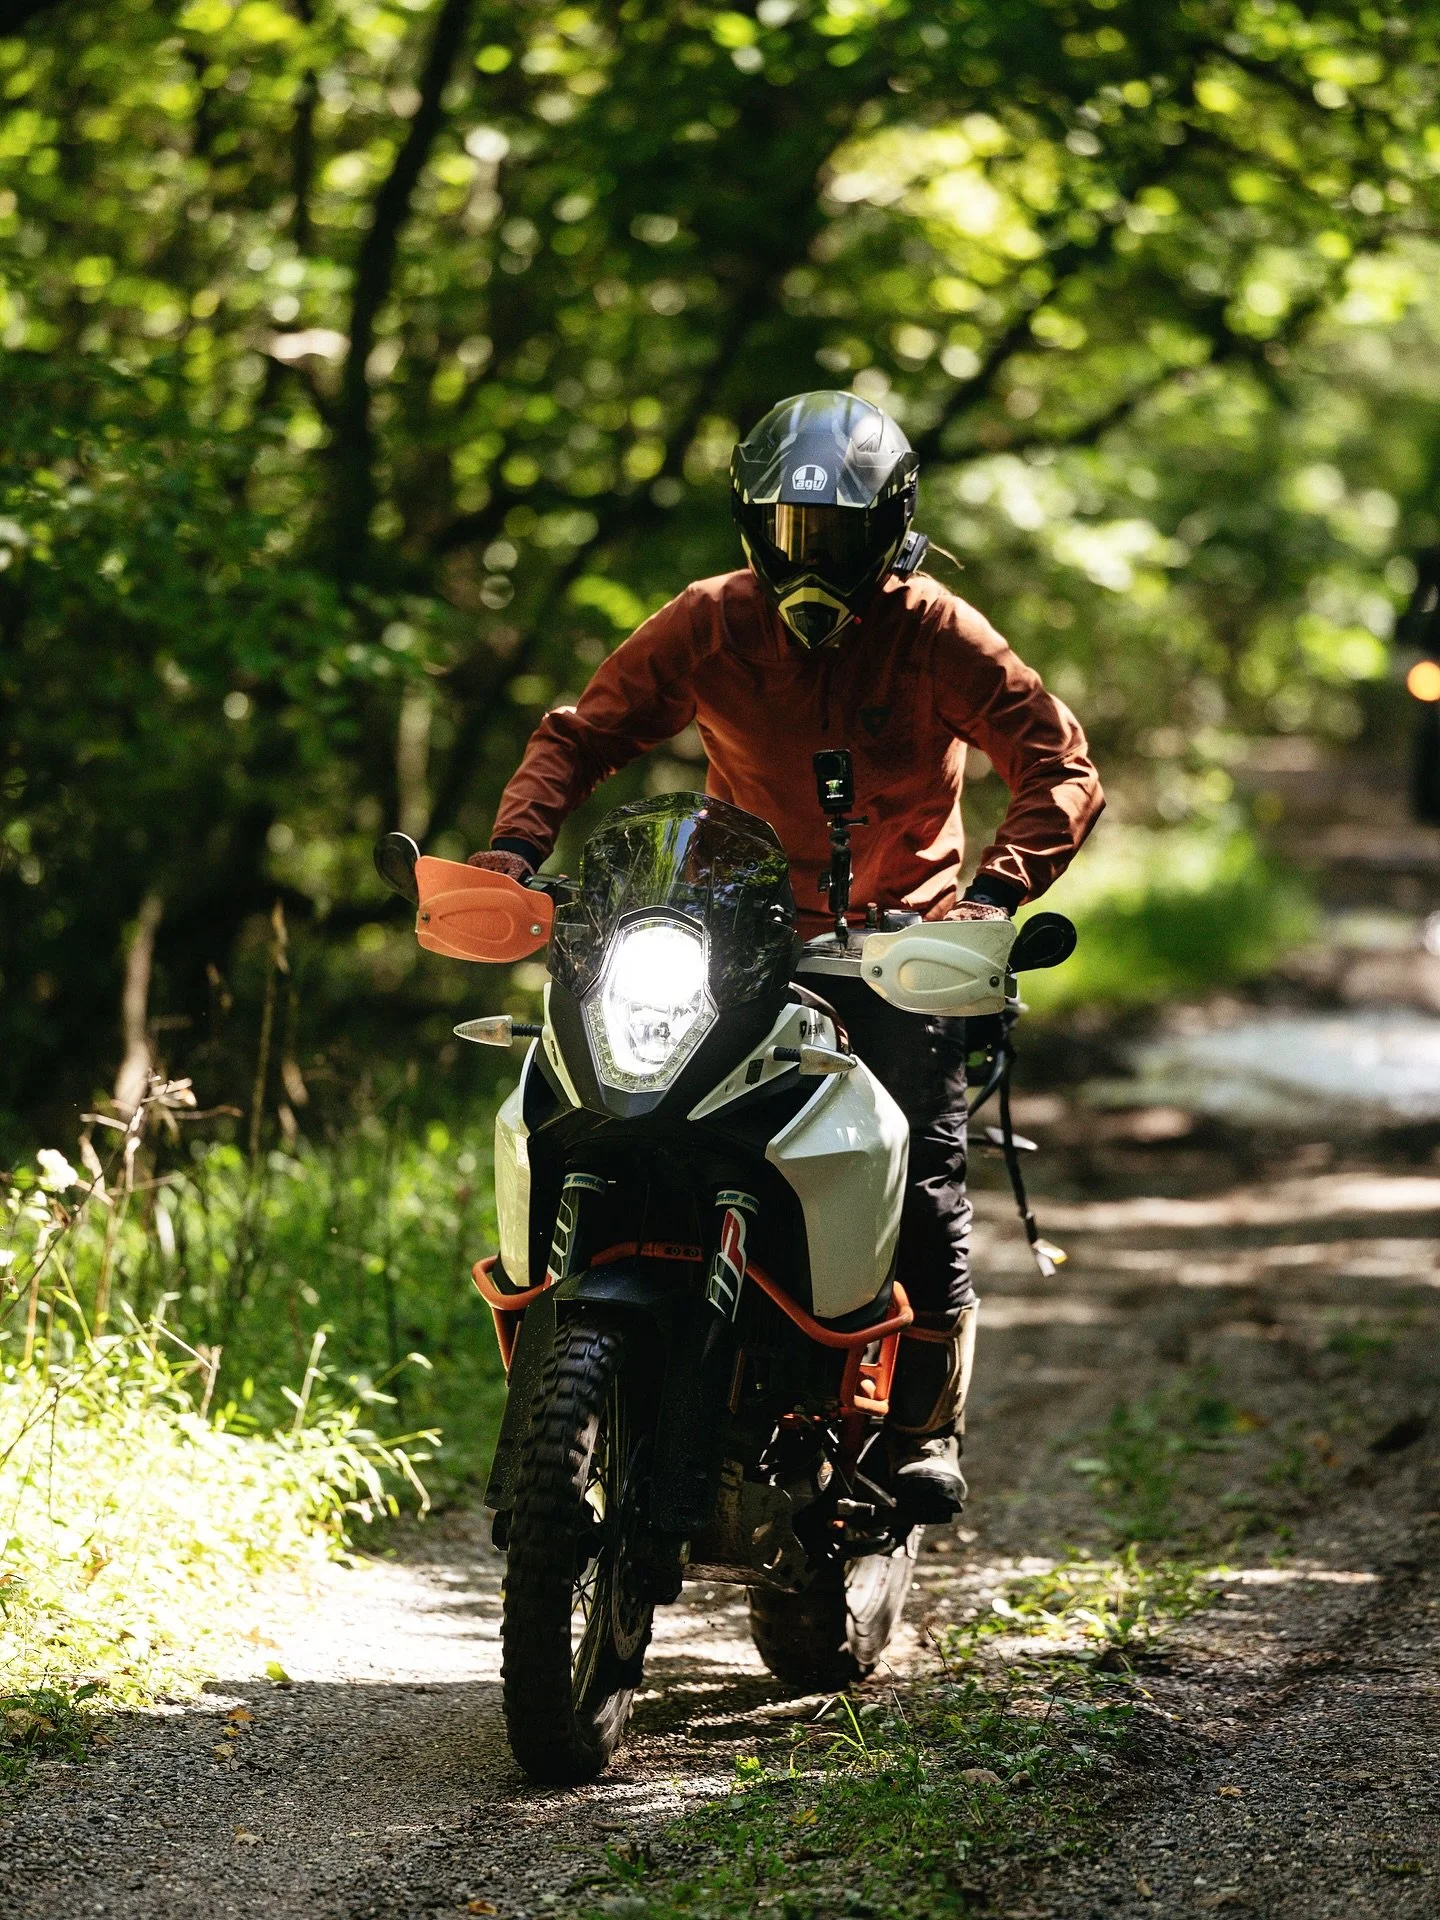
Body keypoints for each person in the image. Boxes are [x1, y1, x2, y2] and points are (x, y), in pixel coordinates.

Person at [470, 391, 1104, 1520]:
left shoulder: (936, 630)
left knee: (924, 1173)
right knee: (632, 1112)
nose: (811, 560)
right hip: (734, 929)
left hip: (904, 946)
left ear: (892, 525)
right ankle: (630, 1346)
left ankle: (918, 1422)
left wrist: (994, 895)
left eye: (839, 535)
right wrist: (515, 849)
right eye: (789, 531)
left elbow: (1057, 763)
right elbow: (587, 734)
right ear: (751, 526)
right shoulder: (709, 620)